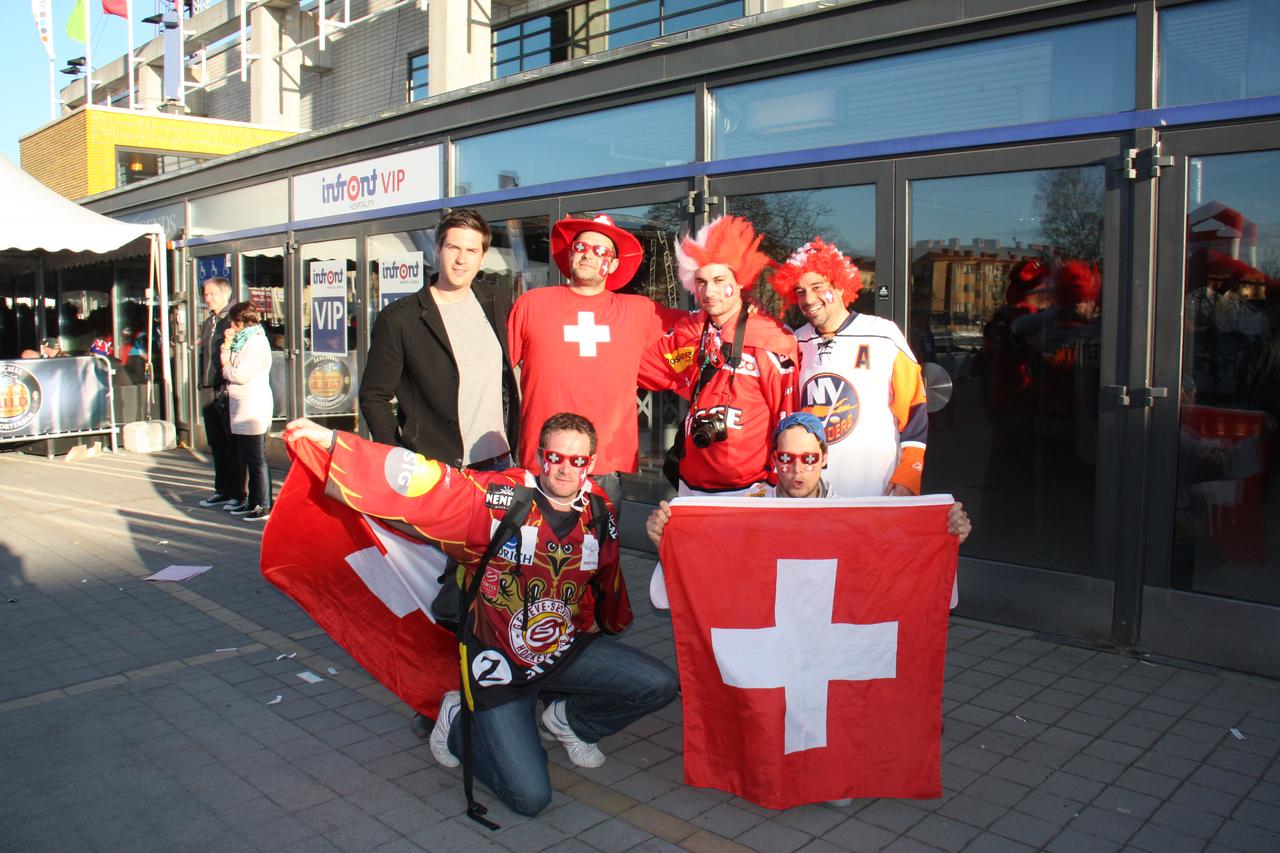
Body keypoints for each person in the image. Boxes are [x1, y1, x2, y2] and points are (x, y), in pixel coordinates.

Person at [283, 412, 677, 817]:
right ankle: (456, 723)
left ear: (590, 464)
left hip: (561, 651)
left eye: (577, 460)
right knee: (530, 798)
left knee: (658, 684)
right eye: (555, 456)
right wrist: (333, 442)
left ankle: (570, 721)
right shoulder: (501, 496)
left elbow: (608, 571)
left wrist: (615, 610)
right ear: (540, 456)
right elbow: (428, 480)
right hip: (499, 666)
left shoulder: (599, 507)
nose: (564, 468)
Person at [508, 214, 685, 507]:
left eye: (600, 250)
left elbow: (698, 328)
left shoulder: (638, 310)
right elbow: (501, 368)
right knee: (531, 548)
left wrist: (747, 318)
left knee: (599, 550)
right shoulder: (532, 303)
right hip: (542, 459)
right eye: (581, 247)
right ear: (570, 253)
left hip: (601, 463)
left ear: (613, 264)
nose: (589, 254)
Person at [637, 216, 799, 495]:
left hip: (751, 488)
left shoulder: (772, 338)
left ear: (739, 281)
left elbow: (786, 417)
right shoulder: (688, 332)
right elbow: (641, 369)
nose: (708, 291)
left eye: (718, 280)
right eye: (701, 282)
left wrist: (781, 483)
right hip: (690, 483)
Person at [646, 412, 971, 544]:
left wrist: (946, 536)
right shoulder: (751, 502)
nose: (797, 469)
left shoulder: (846, 512)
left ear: (825, 458)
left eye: (809, 459)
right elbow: (711, 543)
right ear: (775, 459)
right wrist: (668, 538)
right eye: (785, 458)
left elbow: (896, 554)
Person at [359, 208, 520, 470]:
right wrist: (397, 455)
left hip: (499, 460)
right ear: (437, 249)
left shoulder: (497, 302)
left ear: (483, 257)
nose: (461, 259)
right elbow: (373, 395)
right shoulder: (400, 318)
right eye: (453, 247)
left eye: (471, 251)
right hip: (432, 466)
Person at [771, 238, 929, 497]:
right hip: (810, 496)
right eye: (800, 291)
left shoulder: (883, 334)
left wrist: (909, 474)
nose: (809, 299)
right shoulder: (793, 342)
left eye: (818, 287)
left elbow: (914, 409)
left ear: (840, 285)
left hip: (875, 491)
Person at [220, 302, 273, 521]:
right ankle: (252, 500)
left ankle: (264, 504)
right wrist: (227, 345)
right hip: (242, 406)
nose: (232, 325)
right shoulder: (244, 340)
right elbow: (231, 363)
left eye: (234, 321)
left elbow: (239, 374)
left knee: (256, 457)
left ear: (242, 322)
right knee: (247, 455)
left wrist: (226, 370)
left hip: (253, 407)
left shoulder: (256, 342)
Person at [196, 277, 242, 509]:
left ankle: (237, 491)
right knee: (216, 442)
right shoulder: (209, 321)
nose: (207, 298)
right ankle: (221, 488)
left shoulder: (231, 321)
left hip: (223, 387)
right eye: (205, 294)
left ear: (225, 294)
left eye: (211, 294)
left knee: (230, 442)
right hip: (207, 387)